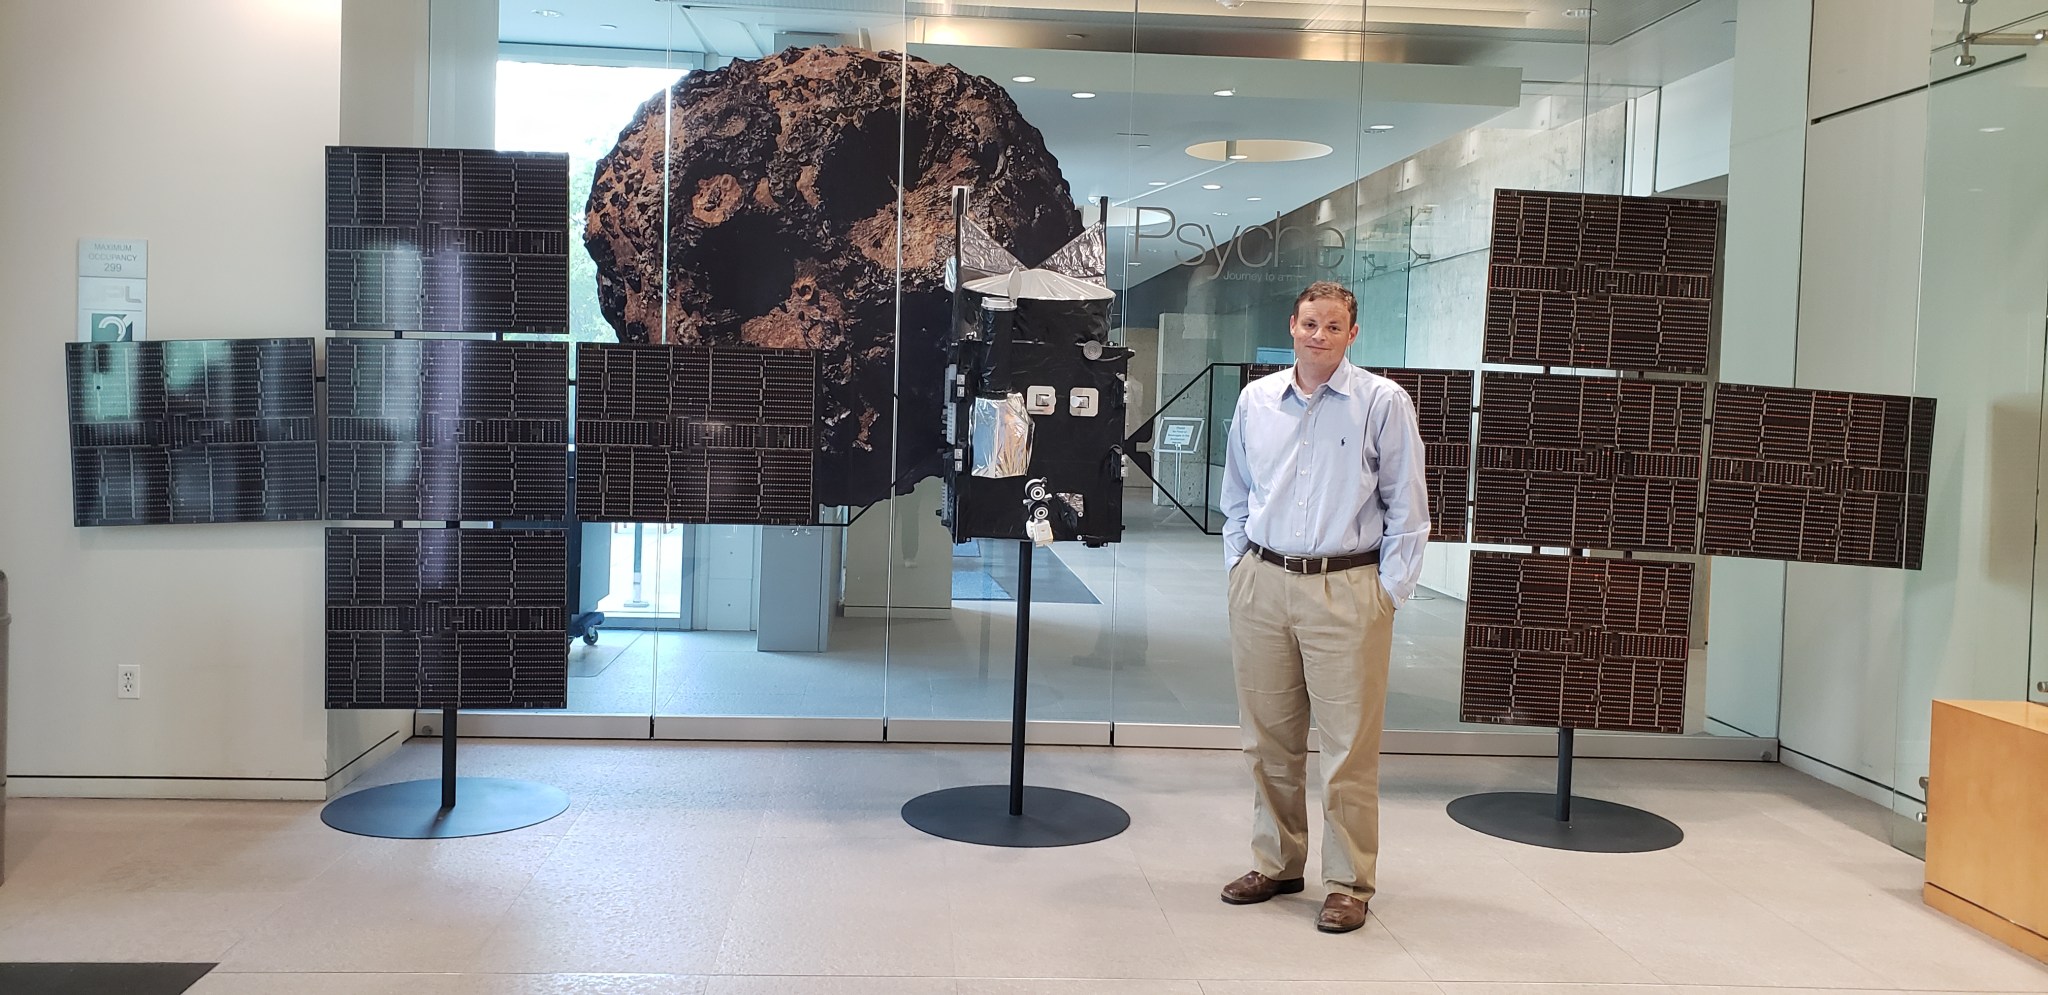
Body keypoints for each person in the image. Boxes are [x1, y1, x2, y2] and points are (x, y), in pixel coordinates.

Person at [1217, 280, 1430, 934]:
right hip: (1264, 581)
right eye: (1310, 322)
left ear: (1352, 333)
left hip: (1347, 588)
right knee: (1268, 739)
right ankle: (1278, 860)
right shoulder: (1257, 400)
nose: (1319, 335)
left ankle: (1347, 882)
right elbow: (1236, 490)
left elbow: (1408, 507)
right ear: (1293, 324)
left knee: (1347, 747)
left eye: (1333, 326)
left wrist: (1386, 594)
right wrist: (1239, 566)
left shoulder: (1382, 403)